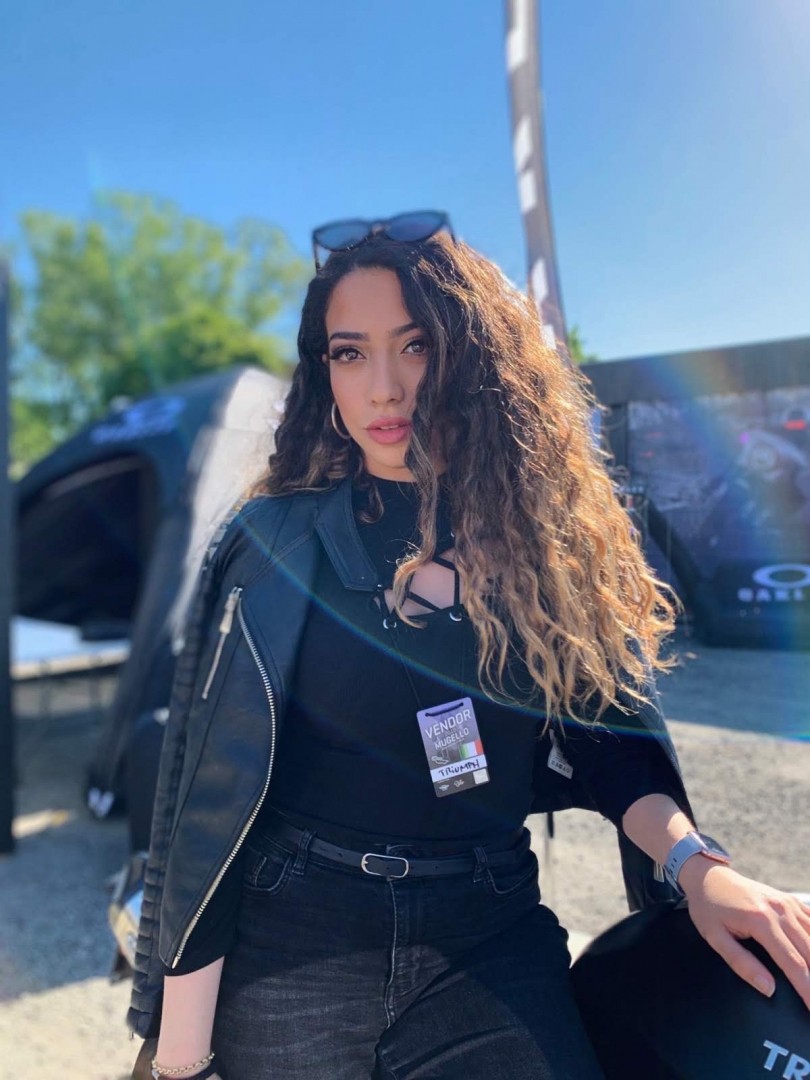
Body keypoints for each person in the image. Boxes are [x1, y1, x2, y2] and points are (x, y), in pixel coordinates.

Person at [129, 213, 810, 1080]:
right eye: (350, 353)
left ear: (472, 358)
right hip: (297, 929)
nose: (384, 388)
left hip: (484, 929)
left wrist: (698, 866)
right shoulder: (273, 544)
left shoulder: (544, 545)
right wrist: (180, 1058)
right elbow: (212, 806)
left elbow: (610, 740)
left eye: (414, 346)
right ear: (324, 372)